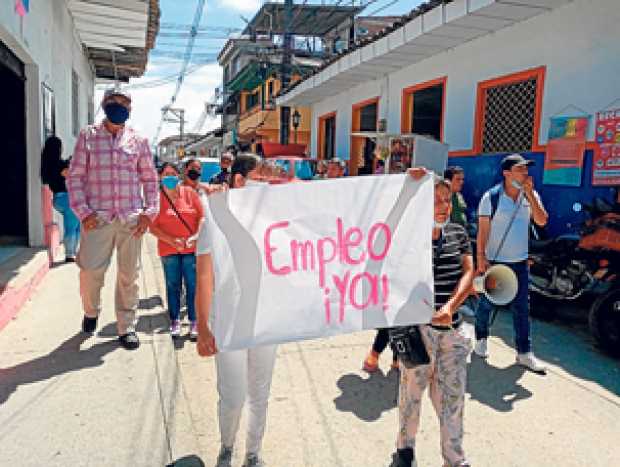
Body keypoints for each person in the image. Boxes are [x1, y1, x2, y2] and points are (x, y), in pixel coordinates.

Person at [195, 154, 276, 467]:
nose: (268, 185)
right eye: (262, 177)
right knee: (233, 396)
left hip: (268, 322)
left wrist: (408, 185)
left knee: (260, 394)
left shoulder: (272, 220)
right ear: (240, 180)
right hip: (228, 323)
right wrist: (203, 328)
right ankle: (226, 448)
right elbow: (204, 279)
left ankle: (253, 454)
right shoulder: (212, 220)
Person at [390, 171, 474, 467]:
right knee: (411, 396)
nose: (443, 205)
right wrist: (407, 186)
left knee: (453, 399)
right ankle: (404, 450)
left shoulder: (459, 234)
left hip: (453, 333)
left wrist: (449, 307)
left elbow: (469, 272)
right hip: (418, 333)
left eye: (446, 199)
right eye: (435, 200)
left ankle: (454, 457)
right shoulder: (407, 239)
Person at [67, 89, 159, 350]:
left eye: (124, 103)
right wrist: (84, 213)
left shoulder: (138, 140)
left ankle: (126, 326)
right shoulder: (88, 136)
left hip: (130, 219)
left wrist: (149, 212)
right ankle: (91, 311)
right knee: (90, 271)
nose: (119, 106)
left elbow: (150, 179)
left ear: (131, 108)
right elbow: (75, 177)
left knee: (129, 275)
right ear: (104, 104)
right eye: (113, 102)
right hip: (97, 218)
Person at [474, 154, 549, 373]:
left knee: (522, 308)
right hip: (496, 261)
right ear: (506, 173)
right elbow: (483, 230)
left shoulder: (530, 195)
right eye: (520, 169)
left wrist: (531, 197)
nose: (525, 174)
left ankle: (524, 352)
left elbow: (542, 220)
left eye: (526, 170)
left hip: (520, 262)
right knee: (487, 303)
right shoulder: (491, 198)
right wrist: (481, 258)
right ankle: (481, 338)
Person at [149, 162, 203, 339]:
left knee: (193, 285)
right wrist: (172, 240)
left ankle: (194, 321)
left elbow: (203, 217)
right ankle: (175, 321)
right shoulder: (156, 199)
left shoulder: (189, 193)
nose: (170, 177)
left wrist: (195, 236)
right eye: (166, 174)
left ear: (179, 175)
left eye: (173, 173)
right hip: (168, 249)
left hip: (190, 248)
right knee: (173, 286)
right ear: (160, 177)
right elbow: (153, 227)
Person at [40, 136, 80, 262]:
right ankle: (70, 254)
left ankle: (73, 251)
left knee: (75, 225)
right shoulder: (59, 164)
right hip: (67, 198)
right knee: (72, 227)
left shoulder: (47, 164)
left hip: (58, 198)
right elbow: (69, 173)